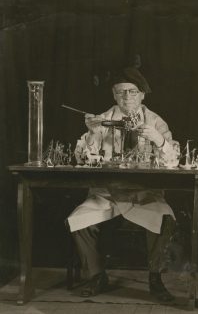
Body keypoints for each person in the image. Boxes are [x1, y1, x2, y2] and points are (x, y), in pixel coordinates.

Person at [67, 66, 178, 302]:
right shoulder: (102, 120)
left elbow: (173, 163)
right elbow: (82, 161)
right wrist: (93, 135)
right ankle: (97, 275)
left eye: (132, 92)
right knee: (78, 220)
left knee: (165, 218)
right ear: (114, 95)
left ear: (142, 95)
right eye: (121, 92)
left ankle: (155, 279)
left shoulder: (156, 121)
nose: (127, 97)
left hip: (144, 194)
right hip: (107, 194)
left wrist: (158, 140)